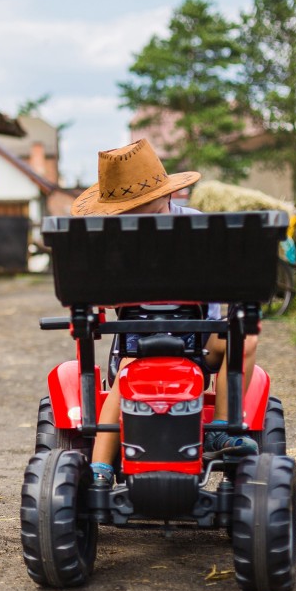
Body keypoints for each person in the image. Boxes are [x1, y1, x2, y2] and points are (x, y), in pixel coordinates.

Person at [70, 139, 259, 486]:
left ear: (166, 195)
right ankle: (100, 466)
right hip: (137, 344)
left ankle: (221, 428)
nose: (137, 219)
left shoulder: (198, 228)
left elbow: (227, 277)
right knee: (126, 376)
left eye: (145, 209)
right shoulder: (111, 241)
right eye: (127, 213)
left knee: (244, 343)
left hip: (200, 336)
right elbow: (97, 293)